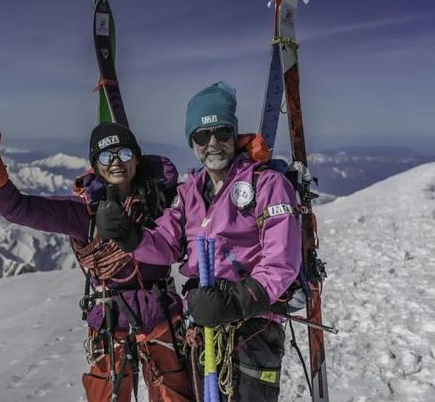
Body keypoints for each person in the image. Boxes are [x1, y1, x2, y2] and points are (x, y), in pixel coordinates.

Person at [96, 81, 302, 401]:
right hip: (201, 326)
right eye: (202, 136)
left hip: (251, 327)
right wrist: (130, 236)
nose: (213, 143)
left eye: (221, 132)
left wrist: (234, 302)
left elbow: (282, 261)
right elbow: (166, 244)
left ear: (234, 134)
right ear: (192, 142)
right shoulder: (190, 191)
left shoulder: (267, 185)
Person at [0, 121, 193, 402]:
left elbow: (212, 203)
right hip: (120, 318)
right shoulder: (83, 213)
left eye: (123, 154)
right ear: (95, 165)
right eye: (106, 157)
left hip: (157, 313)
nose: (116, 163)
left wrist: (246, 171)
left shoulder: (164, 199)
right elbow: (17, 208)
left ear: (136, 157)